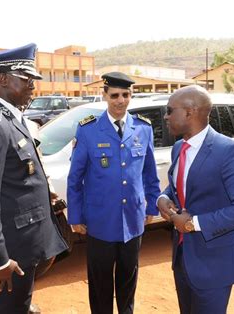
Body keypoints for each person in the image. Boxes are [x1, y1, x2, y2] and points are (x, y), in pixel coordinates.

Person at [0, 43, 68, 314]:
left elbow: (18, 176)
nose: (33, 86)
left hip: (24, 241)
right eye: (27, 79)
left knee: (20, 304)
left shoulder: (11, 117)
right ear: (3, 79)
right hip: (10, 251)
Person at [157, 85, 234, 314]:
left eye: (169, 110)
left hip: (214, 262)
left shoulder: (229, 151)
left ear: (189, 112)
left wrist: (192, 223)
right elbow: (180, 186)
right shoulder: (178, 148)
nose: (165, 116)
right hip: (183, 257)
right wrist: (164, 197)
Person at [67, 72, 160, 314]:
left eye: (126, 95)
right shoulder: (88, 129)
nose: (120, 100)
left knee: (129, 278)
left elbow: (150, 173)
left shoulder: (143, 128)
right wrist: (75, 217)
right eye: (115, 95)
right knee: (100, 282)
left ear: (131, 95)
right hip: (100, 220)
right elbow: (75, 177)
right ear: (105, 95)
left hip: (133, 218)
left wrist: (151, 207)